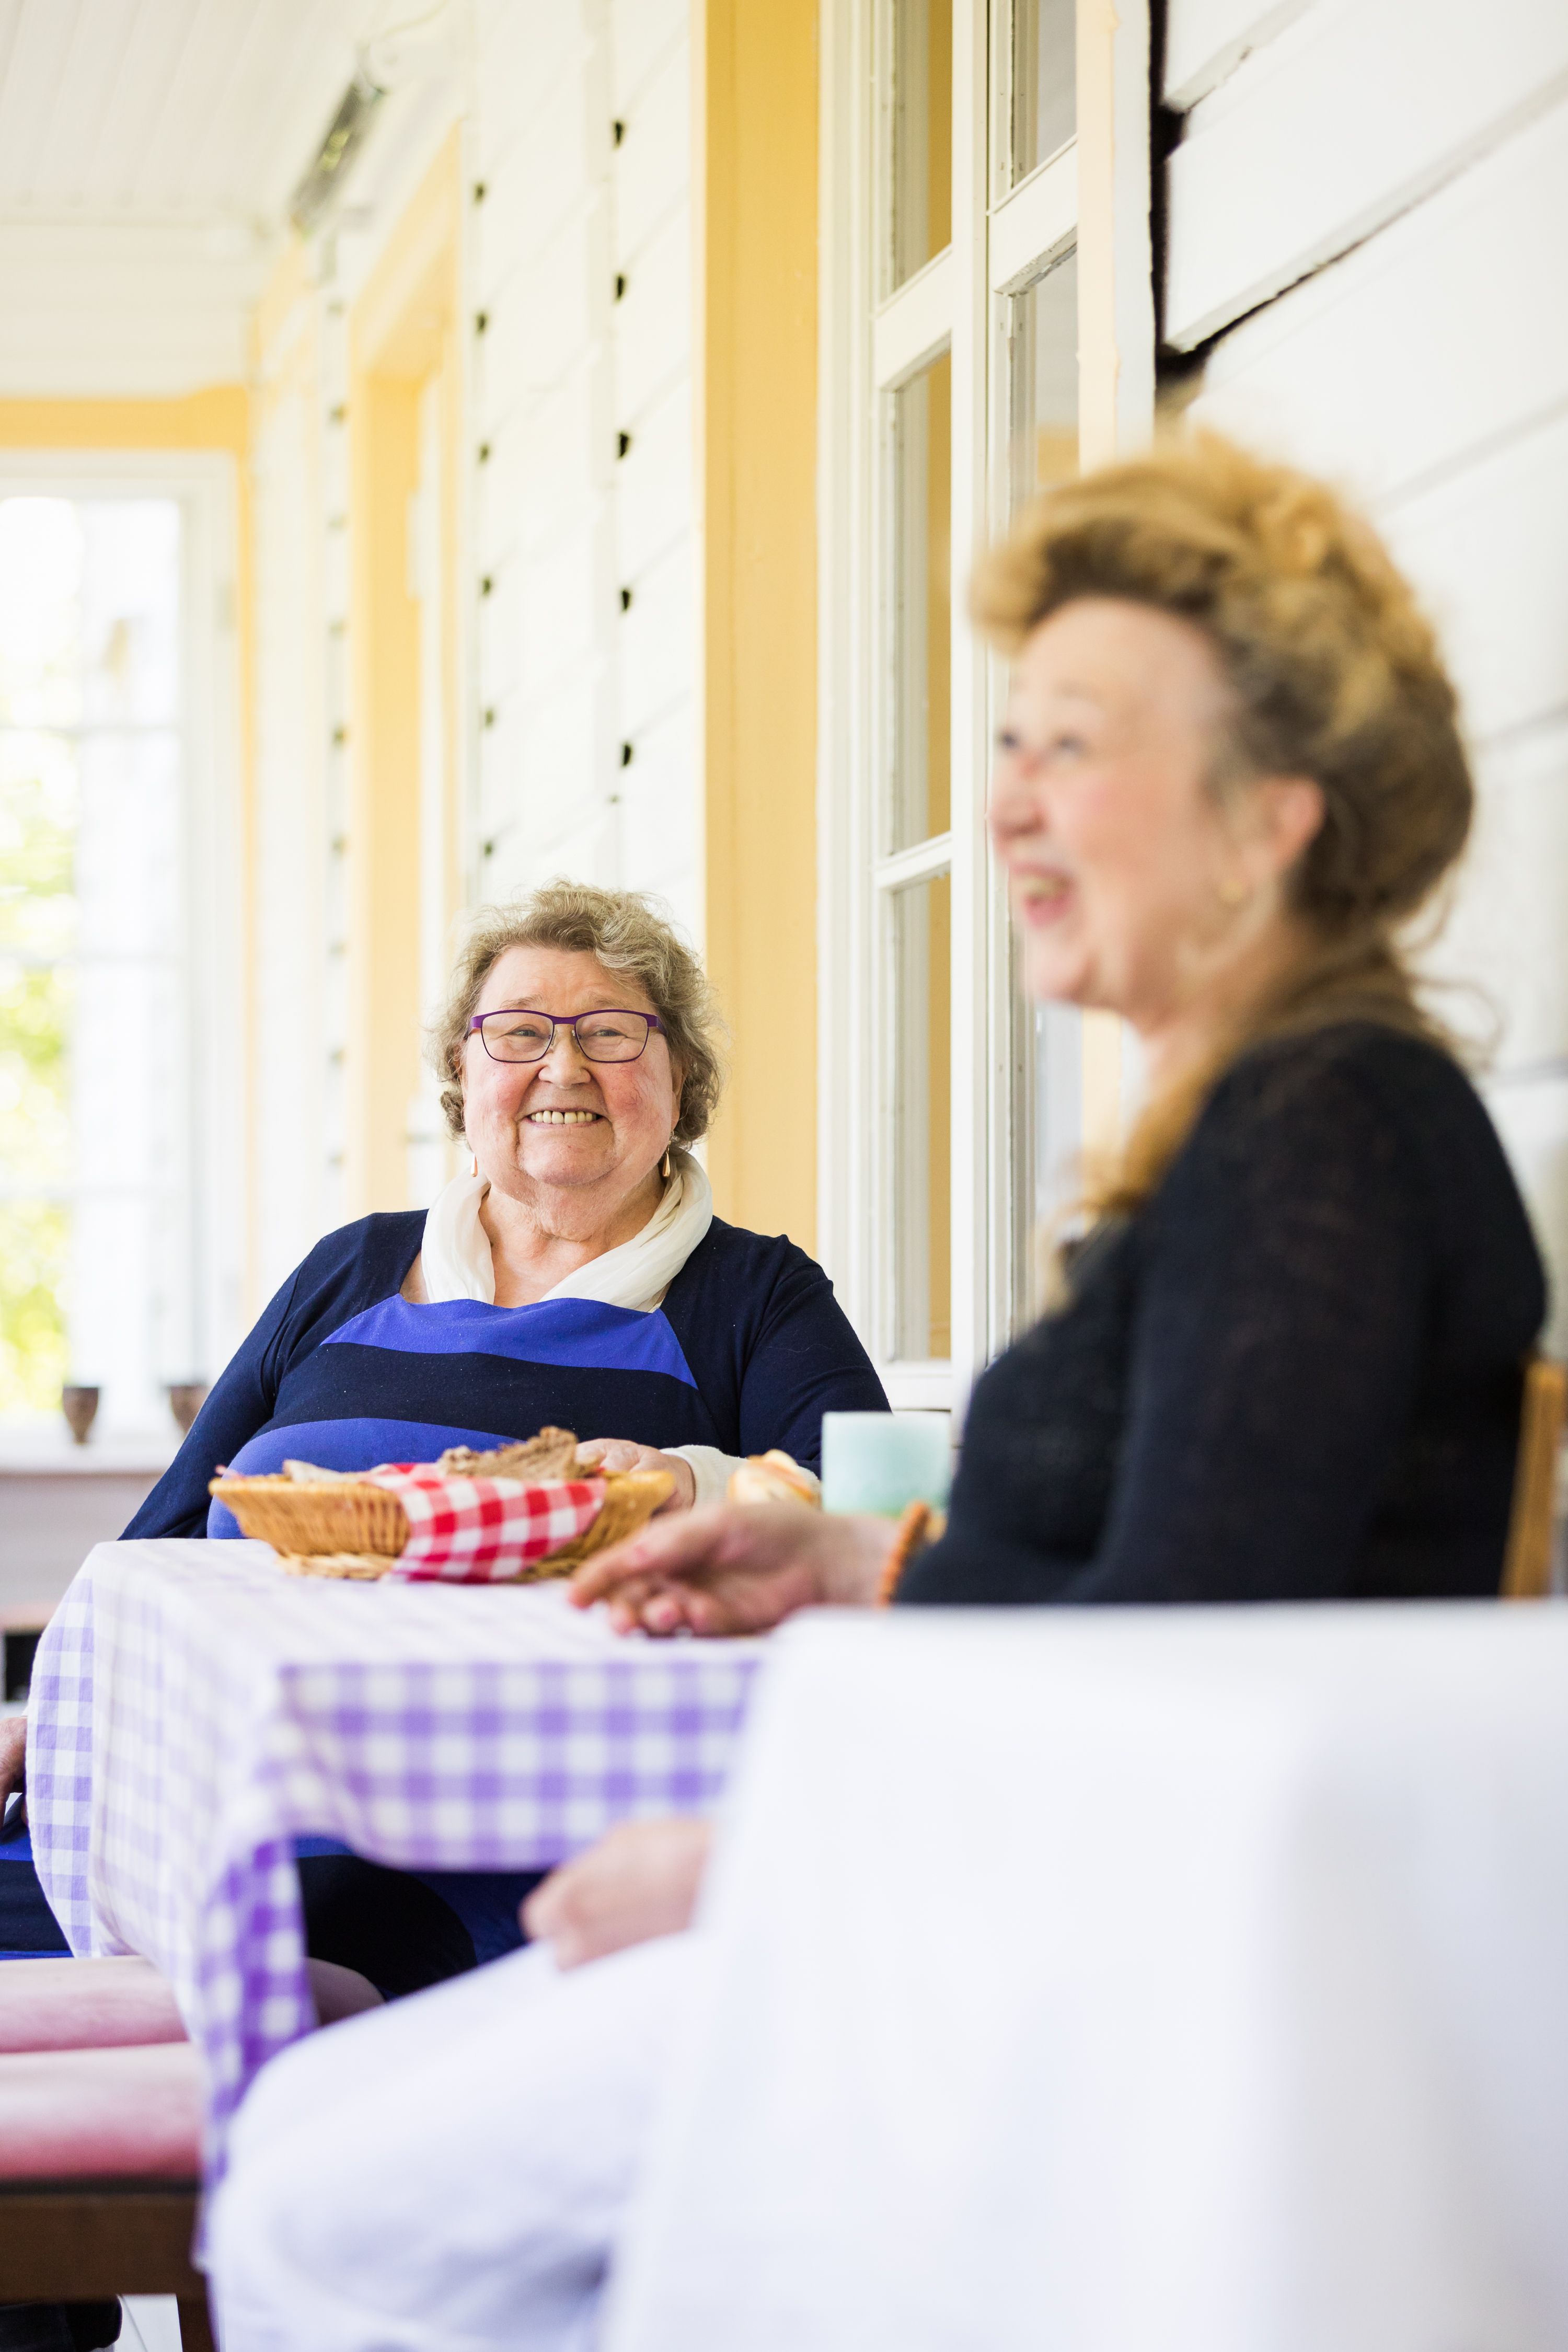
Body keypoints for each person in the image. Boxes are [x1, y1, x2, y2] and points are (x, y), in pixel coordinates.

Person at [207, 435, 1546, 2350]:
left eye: (1070, 747)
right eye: (1006, 749)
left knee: (321, 2205)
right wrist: (860, 1562)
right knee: (334, 2136)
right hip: (1040, 1911)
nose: (1006, 811)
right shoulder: (1260, 1131)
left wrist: (756, 1869)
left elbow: (1185, 1682)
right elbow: (1169, 1577)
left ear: (1276, 817)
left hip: (1112, 1977)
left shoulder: (1323, 1131)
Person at [2, 882, 885, 1994]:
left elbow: (869, 1520)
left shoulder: (754, 1295)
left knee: (302, 1966)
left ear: (679, 1083)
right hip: (228, 1782)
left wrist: (696, 1483)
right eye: (518, 1034)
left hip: (527, 1827)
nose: (563, 1070)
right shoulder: (353, 1266)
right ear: (465, 1081)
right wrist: (51, 1715)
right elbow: (172, 1525)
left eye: (613, 1034)